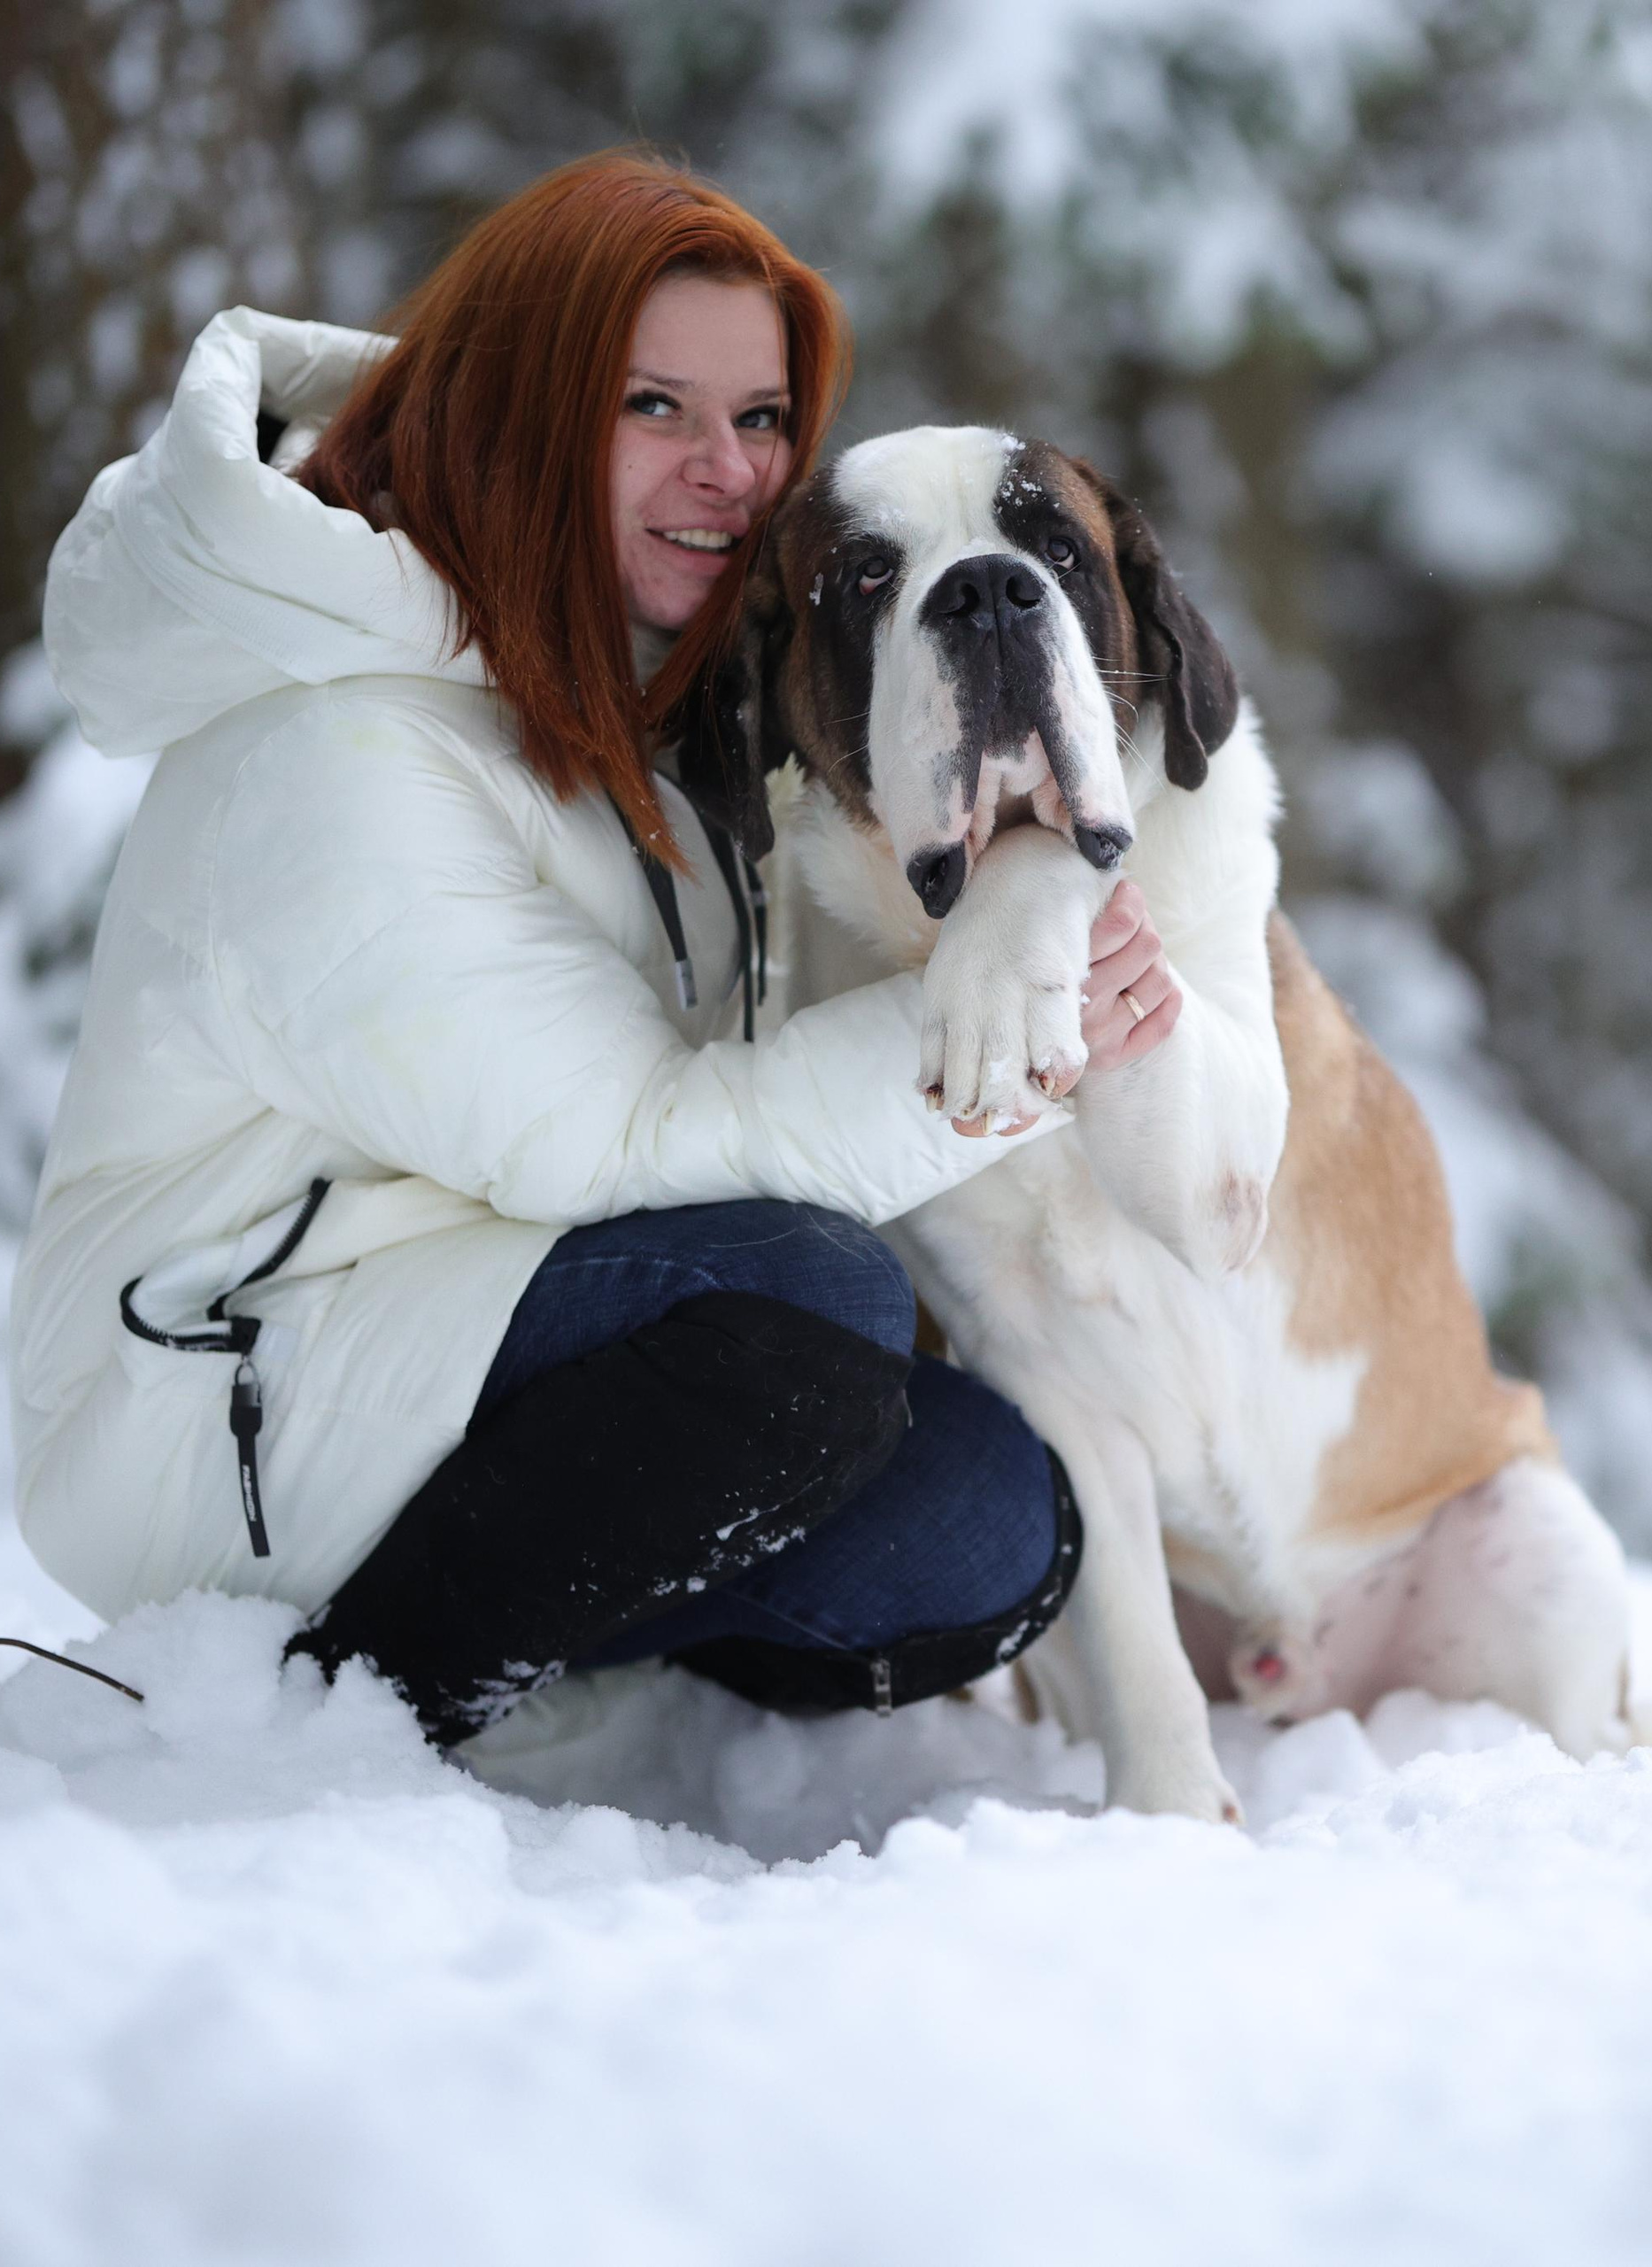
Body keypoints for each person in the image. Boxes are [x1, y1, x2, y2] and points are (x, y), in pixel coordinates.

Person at [11, 151, 1180, 1742]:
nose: (730, 472)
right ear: (526, 408)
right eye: (655, 409)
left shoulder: (629, 694)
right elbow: (623, 1147)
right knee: (806, 1311)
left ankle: (581, 1661)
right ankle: (349, 1709)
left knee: (989, 1518)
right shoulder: (339, 739)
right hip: (210, 1405)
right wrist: (1021, 1032)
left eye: (761, 419)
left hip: (470, 1329)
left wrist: (1033, 893)